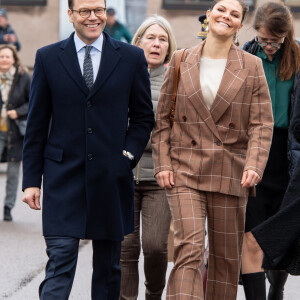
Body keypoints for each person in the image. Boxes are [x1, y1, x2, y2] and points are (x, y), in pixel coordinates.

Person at [21, 0, 154, 298]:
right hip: (62, 178)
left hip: (111, 178)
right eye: (84, 11)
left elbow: (144, 117)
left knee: (108, 271)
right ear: (70, 15)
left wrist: (127, 157)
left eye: (99, 10)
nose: (93, 17)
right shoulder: (48, 57)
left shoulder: (131, 58)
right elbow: (37, 125)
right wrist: (31, 181)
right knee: (60, 261)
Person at [151, 0, 274, 299]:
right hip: (184, 168)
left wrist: (254, 165)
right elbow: (163, 119)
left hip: (230, 169)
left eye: (235, 14)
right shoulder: (180, 60)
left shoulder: (252, 65)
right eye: (221, 9)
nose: (226, 16)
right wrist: (163, 163)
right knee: (189, 248)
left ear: (241, 25)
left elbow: (261, 124)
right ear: (208, 15)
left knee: (224, 259)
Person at [241, 2, 300, 299]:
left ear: (286, 35)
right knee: (251, 231)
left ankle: (277, 288)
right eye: (264, 39)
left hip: (289, 157)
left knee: (281, 235)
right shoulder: (247, 54)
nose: (270, 46)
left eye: (275, 41)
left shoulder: (299, 56)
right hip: (253, 153)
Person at [119, 15, 176, 300]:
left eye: (162, 39)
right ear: (137, 41)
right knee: (126, 247)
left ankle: (154, 293)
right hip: (123, 175)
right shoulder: (120, 75)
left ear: (169, 47)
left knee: (155, 246)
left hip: (159, 178)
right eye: (150, 38)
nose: (156, 44)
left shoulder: (175, 82)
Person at [0, 44, 30, 221]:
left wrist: (18, 112)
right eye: (1, 56)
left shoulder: (23, 77)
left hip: (15, 133)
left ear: (13, 59)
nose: (4, 60)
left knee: (13, 173)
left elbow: (33, 101)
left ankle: (7, 208)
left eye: (7, 57)